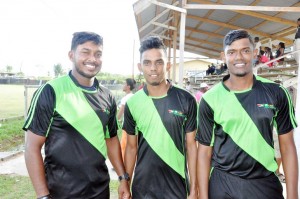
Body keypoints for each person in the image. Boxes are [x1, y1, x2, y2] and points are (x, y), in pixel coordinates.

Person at [23, 31, 130, 199]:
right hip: (60, 193)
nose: (92, 59)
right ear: (71, 55)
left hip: (100, 192)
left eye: (98, 54)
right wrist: (43, 196)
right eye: (85, 52)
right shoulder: (51, 91)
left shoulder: (107, 96)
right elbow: (31, 147)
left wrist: (123, 177)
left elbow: (111, 140)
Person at [197, 29, 298, 199]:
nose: (239, 57)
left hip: (265, 185)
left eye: (245, 51)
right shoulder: (209, 99)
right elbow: (204, 152)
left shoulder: (277, 92)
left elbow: (287, 147)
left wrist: (293, 196)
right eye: (232, 52)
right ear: (223, 56)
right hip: (223, 185)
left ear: (255, 53)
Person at [123, 36, 198, 198]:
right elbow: (131, 147)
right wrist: (125, 182)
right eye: (147, 63)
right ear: (140, 67)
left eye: (159, 62)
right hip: (142, 190)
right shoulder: (133, 103)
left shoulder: (186, 99)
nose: (153, 68)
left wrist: (194, 188)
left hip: (177, 188)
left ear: (168, 65)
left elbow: (192, 147)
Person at [117, 78, 136, 159]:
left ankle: (123, 163)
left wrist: (114, 122)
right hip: (135, 125)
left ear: (128, 86)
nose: (123, 85)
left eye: (124, 84)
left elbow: (120, 113)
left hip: (127, 125)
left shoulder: (125, 98)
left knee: (124, 144)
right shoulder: (134, 96)